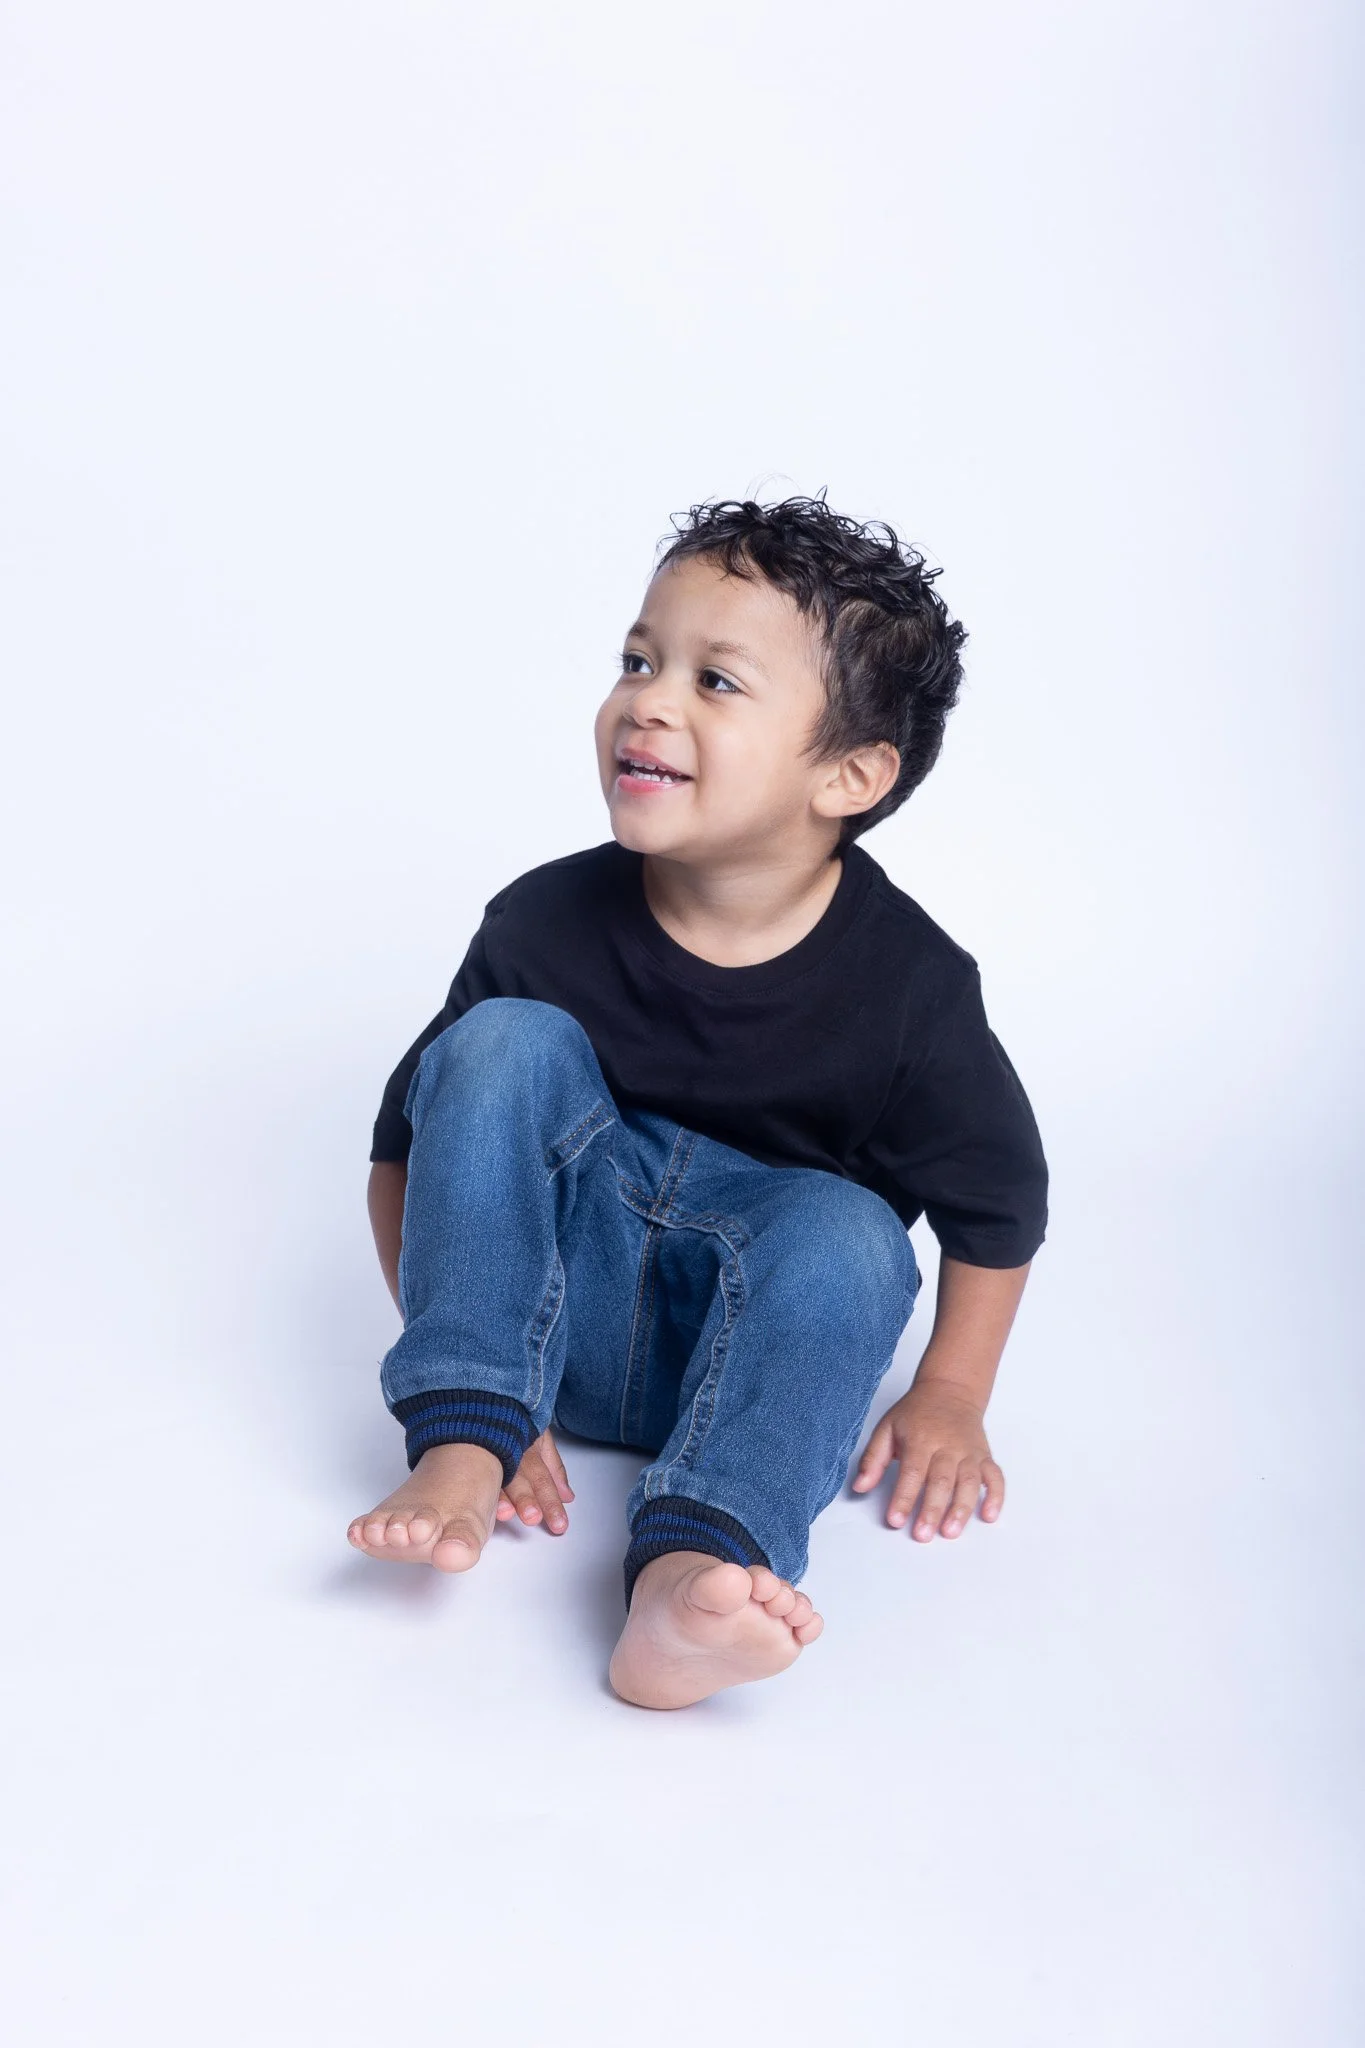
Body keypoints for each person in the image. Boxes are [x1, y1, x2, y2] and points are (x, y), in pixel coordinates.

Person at [347, 494, 1049, 1710]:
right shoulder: (541, 921)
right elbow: (406, 1152)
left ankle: (690, 1576)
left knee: (852, 1232)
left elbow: (997, 1208)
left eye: (715, 681)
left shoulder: (911, 991)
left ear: (849, 772)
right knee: (499, 1046)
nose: (648, 699)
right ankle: (463, 1450)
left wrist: (951, 1392)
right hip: (555, 1306)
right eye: (637, 659)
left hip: (742, 1338)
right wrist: (489, 1379)